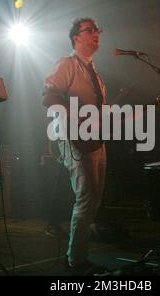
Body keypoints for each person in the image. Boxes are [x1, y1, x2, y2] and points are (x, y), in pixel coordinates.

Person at [42, 17, 107, 275]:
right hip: (75, 137)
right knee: (86, 197)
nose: (96, 34)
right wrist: (77, 116)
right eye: (89, 30)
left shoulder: (96, 74)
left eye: (97, 29)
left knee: (94, 199)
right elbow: (48, 96)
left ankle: (79, 256)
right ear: (76, 37)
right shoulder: (67, 64)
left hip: (96, 139)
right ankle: (75, 260)